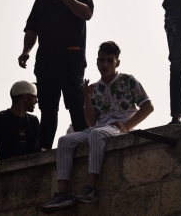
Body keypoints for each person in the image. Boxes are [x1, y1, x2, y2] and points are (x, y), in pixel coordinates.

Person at [40, 41, 153, 212]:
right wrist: (87, 98)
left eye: (109, 60)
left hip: (118, 127)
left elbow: (148, 107)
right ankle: (62, 192)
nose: (105, 65)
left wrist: (126, 126)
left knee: (97, 135)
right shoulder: (96, 87)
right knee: (65, 141)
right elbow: (91, 122)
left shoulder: (128, 80)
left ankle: (91, 187)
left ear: (117, 62)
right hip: (102, 127)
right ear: (97, 61)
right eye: (101, 60)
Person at [19, 0, 94, 149]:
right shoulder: (42, 0)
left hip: (71, 56)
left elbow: (86, 13)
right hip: (46, 60)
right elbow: (31, 28)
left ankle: (85, 145)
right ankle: (44, 149)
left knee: (75, 103)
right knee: (48, 108)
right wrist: (26, 50)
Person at [0, 81, 40, 161]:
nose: (36, 100)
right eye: (34, 97)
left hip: (32, 172)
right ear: (25, 97)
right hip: (6, 172)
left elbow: (38, 152)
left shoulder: (34, 121)